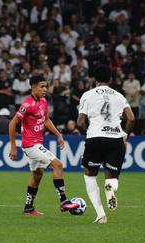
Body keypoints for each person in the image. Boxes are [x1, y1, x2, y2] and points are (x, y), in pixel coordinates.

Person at [8, 75, 79, 215]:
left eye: (46, 86)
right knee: (57, 165)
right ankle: (64, 202)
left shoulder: (43, 102)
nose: (45, 89)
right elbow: (12, 123)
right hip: (30, 144)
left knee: (37, 175)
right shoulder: (27, 104)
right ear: (33, 87)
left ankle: (28, 208)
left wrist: (58, 135)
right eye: (41, 86)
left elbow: (46, 120)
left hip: (37, 143)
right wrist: (13, 147)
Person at [77, 65, 135, 224]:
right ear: (110, 79)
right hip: (115, 138)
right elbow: (131, 118)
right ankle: (110, 189)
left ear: (95, 79)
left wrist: (89, 132)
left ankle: (101, 215)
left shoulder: (87, 95)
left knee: (90, 176)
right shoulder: (119, 96)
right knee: (111, 177)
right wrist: (124, 135)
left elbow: (80, 121)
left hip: (95, 137)